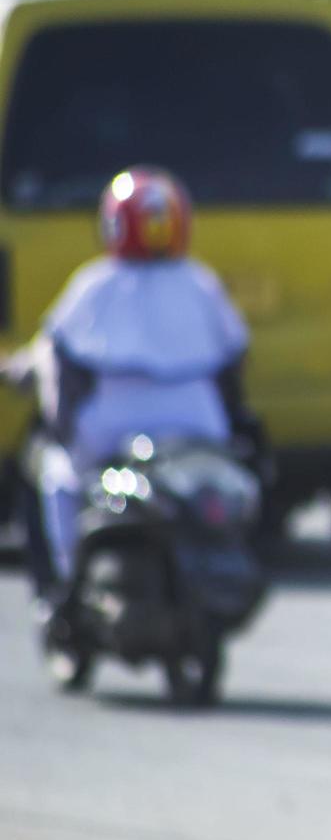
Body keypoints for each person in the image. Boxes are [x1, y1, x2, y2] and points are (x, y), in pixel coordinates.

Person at [7, 167, 251, 592]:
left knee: (56, 475)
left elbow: (55, 361)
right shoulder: (199, 281)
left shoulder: (95, 285)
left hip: (110, 429)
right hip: (198, 423)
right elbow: (234, 358)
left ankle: (65, 583)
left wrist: (59, 425)